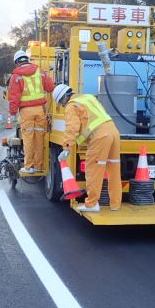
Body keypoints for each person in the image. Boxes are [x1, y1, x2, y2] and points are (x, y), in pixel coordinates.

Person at [52, 84, 122, 213]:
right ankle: (115, 204)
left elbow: (72, 128)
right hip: (113, 132)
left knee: (93, 170)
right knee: (114, 169)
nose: (63, 106)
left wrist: (66, 148)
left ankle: (92, 204)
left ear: (63, 99)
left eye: (61, 103)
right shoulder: (88, 97)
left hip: (100, 136)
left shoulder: (71, 106)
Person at [8, 49, 55, 174]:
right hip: (40, 111)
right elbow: (51, 87)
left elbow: (14, 97)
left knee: (28, 139)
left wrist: (12, 113)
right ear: (27, 59)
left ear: (17, 62)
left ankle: (29, 167)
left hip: (26, 111)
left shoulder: (16, 76)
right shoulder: (40, 71)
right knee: (39, 139)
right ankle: (39, 166)